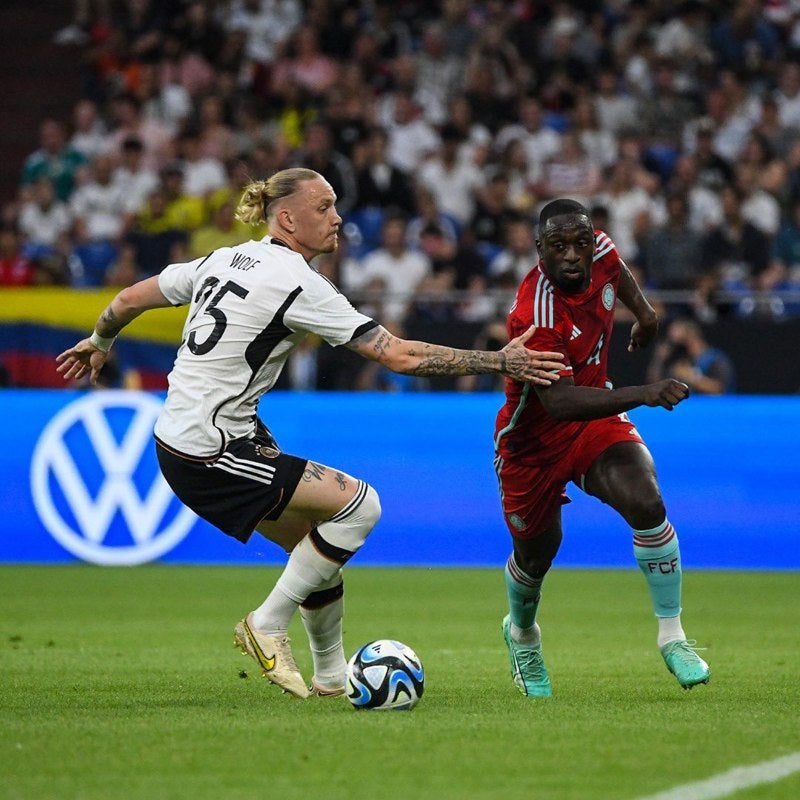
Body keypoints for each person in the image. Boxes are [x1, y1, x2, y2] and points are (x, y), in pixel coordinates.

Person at [56, 167, 565, 701]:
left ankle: (329, 676)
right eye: (323, 207)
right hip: (209, 449)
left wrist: (99, 339)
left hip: (192, 437)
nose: (337, 217)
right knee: (360, 507)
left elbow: (134, 297)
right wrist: (500, 360)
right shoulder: (298, 282)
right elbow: (396, 354)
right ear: (287, 218)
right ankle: (266, 623)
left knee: (314, 549)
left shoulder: (223, 259)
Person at [494, 198, 710, 698]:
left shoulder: (603, 252)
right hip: (533, 440)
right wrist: (646, 393)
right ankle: (522, 633)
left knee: (646, 500)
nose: (573, 255)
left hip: (596, 420)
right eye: (558, 246)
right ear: (539, 250)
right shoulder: (534, 314)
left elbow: (618, 272)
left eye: (580, 243)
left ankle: (672, 636)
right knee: (536, 556)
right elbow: (561, 403)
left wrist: (647, 316)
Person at [647, 318, 736, 395]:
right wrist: (659, 359)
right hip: (687, 408)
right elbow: (656, 385)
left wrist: (690, 376)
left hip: (713, 409)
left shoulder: (715, 359)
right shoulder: (681, 361)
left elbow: (719, 389)